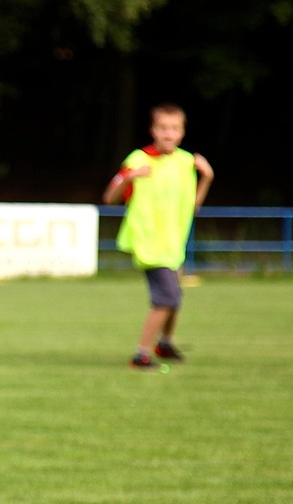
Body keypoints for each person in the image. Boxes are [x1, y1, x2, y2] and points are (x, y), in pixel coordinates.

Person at [103, 103, 214, 369]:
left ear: (182, 132)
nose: (168, 133)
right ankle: (141, 354)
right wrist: (129, 179)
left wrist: (207, 178)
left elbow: (192, 207)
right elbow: (110, 198)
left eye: (174, 128)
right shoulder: (138, 160)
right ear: (153, 130)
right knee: (167, 299)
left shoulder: (186, 162)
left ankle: (164, 344)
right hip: (149, 243)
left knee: (175, 296)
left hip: (173, 244)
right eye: (163, 127)